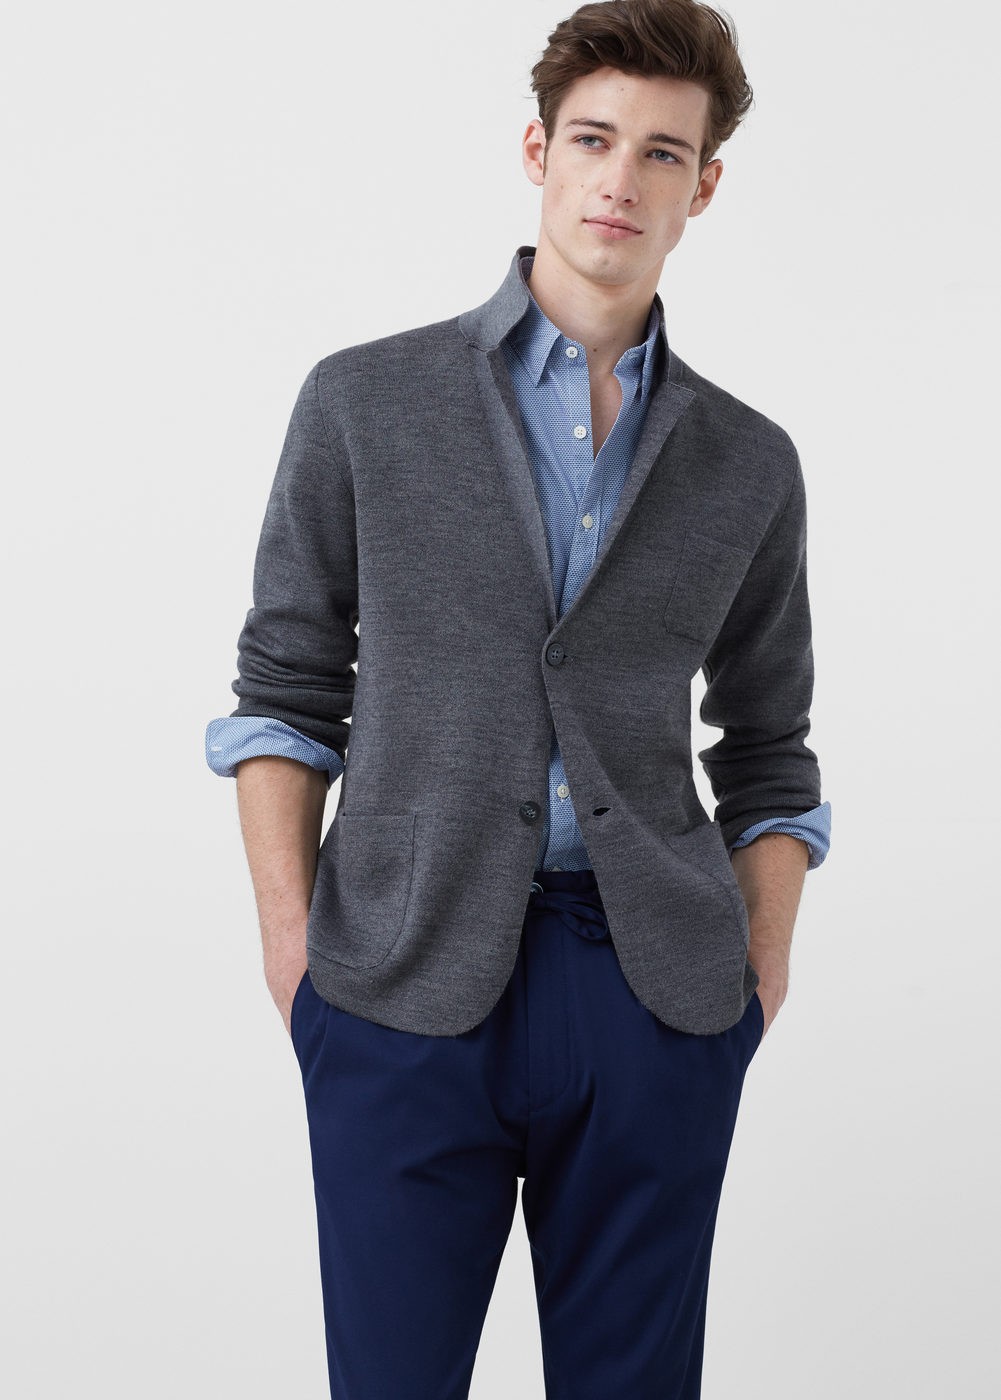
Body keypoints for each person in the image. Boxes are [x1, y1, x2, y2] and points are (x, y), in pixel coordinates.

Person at [205, 1, 831, 1394]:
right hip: (398, 978)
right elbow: (286, 689)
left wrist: (753, 974)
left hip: (651, 997)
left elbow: (768, 745)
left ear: (703, 187)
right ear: (537, 152)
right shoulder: (365, 402)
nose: (621, 180)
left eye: (662, 153)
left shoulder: (747, 461)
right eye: (594, 140)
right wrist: (296, 955)